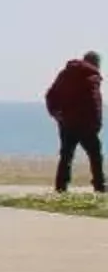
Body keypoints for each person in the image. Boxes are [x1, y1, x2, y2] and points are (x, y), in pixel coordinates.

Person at [48, 50, 104, 194]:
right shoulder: (92, 75)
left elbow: (51, 94)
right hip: (85, 124)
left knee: (66, 155)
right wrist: (97, 123)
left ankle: (61, 187)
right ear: (96, 63)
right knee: (95, 155)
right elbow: (94, 102)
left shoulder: (66, 74)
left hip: (67, 122)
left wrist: (56, 113)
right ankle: (100, 186)